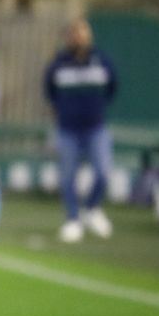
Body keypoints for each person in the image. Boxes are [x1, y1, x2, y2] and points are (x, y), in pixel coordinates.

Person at [45, 16, 118, 242]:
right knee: (68, 177)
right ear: (68, 37)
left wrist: (94, 109)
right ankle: (73, 219)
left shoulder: (101, 60)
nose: (79, 36)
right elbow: (49, 91)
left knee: (103, 172)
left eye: (83, 32)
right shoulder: (59, 63)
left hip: (96, 128)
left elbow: (112, 87)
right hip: (68, 130)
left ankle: (92, 209)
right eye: (74, 32)